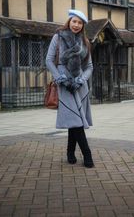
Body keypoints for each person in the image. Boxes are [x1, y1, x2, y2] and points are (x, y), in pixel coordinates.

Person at [46, 9, 94, 168]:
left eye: (80, 23)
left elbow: (89, 67)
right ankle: (87, 154)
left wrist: (81, 80)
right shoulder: (57, 37)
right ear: (69, 21)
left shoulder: (85, 42)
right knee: (76, 119)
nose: (76, 25)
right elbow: (49, 61)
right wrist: (59, 78)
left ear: (82, 26)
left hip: (80, 86)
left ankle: (70, 152)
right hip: (64, 84)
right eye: (74, 21)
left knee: (76, 120)